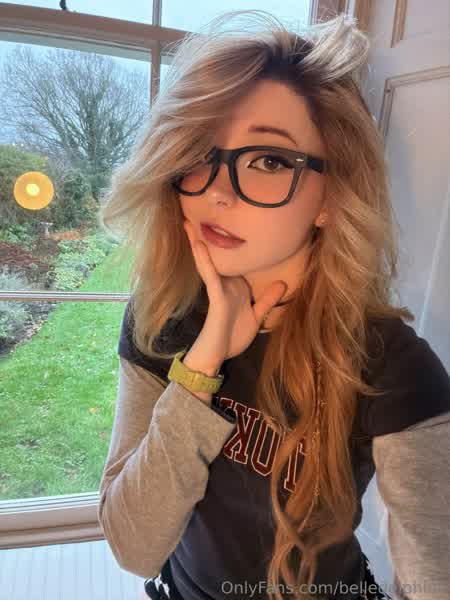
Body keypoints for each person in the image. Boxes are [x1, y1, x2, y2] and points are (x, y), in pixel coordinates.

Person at [96, 10, 450, 600]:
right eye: (199, 153)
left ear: (332, 197)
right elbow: (134, 547)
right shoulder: (162, 317)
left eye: (269, 160)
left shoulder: (390, 366)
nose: (216, 190)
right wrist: (202, 365)